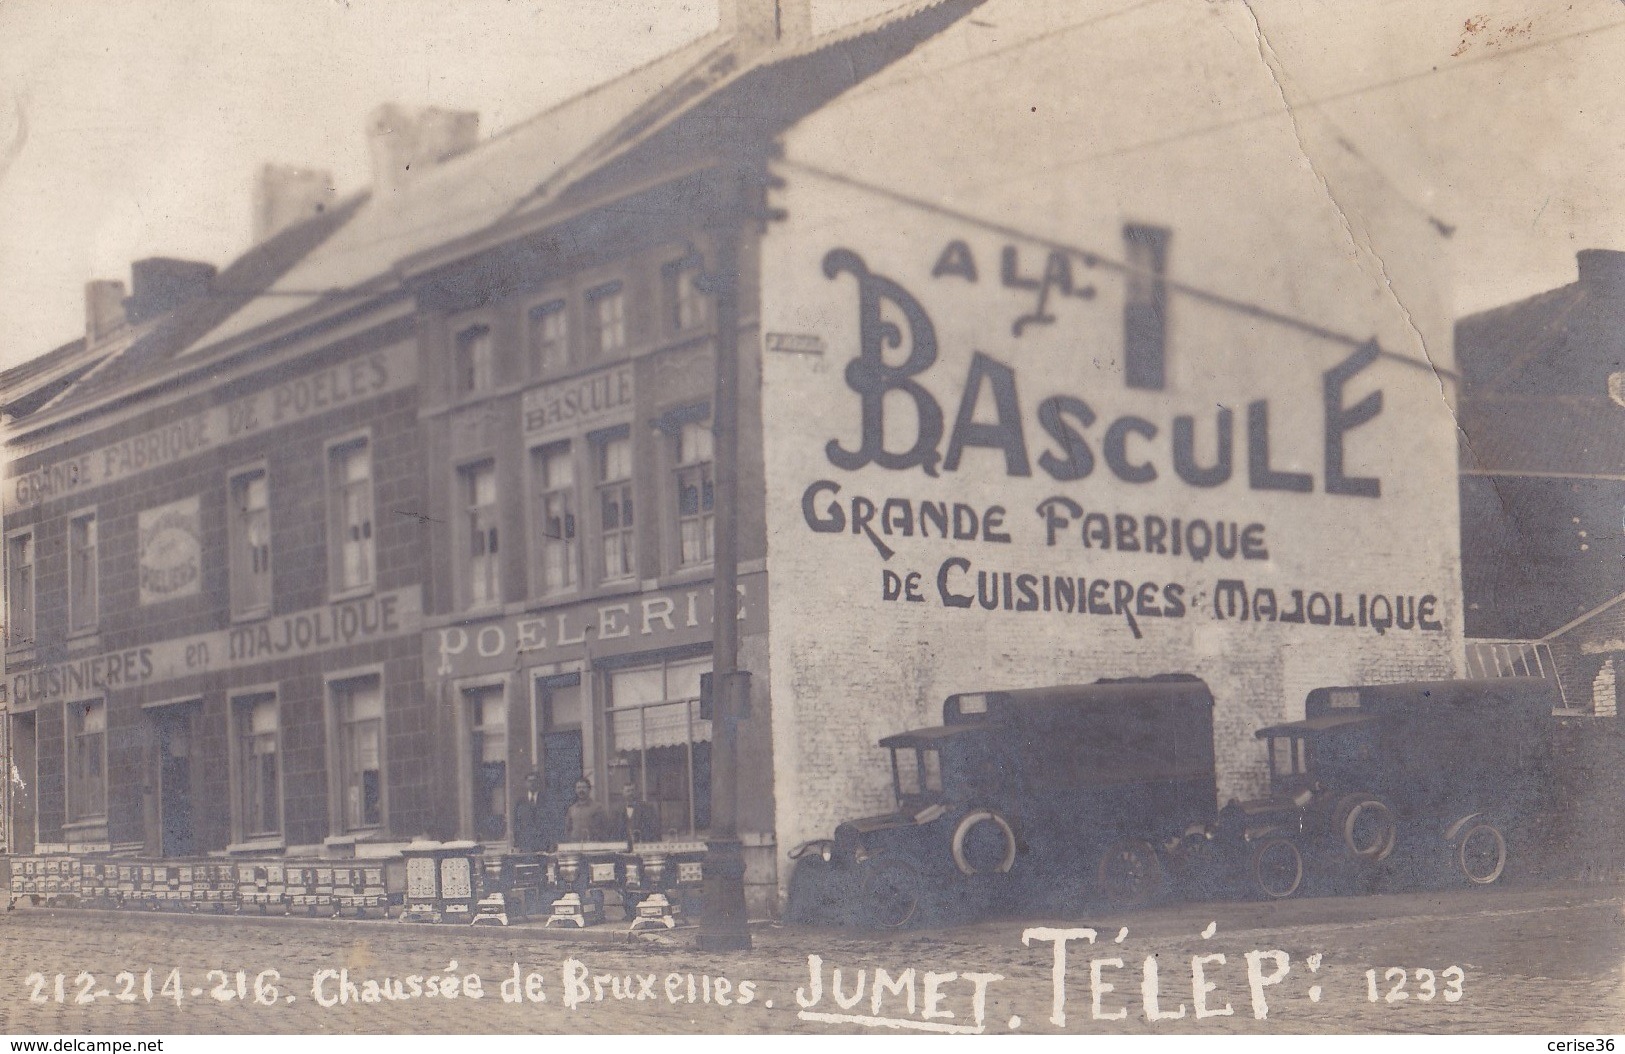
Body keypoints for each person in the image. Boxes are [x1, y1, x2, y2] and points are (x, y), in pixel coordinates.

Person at [512, 770, 548, 852]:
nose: (532, 783)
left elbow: (550, 822)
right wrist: (516, 844)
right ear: (525, 783)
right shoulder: (520, 802)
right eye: (529, 781)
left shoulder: (546, 800)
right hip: (525, 845)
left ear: (538, 783)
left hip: (542, 845)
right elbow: (517, 824)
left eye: (534, 781)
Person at [563, 777, 609, 842]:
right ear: (575, 790)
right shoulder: (572, 809)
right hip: (575, 846)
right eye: (578, 788)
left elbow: (604, 828)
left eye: (584, 787)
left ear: (589, 789)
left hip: (592, 845)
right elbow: (567, 829)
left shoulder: (598, 808)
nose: (581, 790)